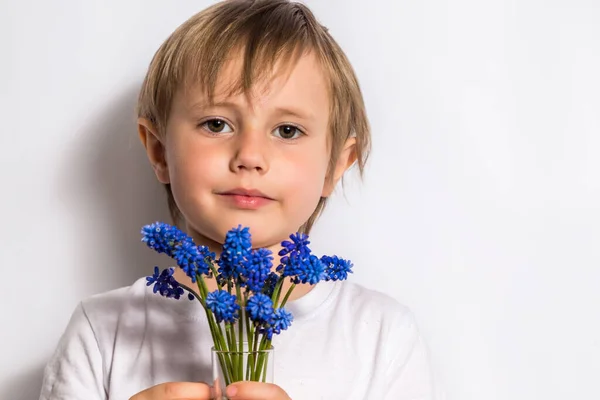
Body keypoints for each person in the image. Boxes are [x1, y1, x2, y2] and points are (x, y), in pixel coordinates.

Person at [39, 1, 440, 399]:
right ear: (160, 152)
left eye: (286, 130)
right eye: (217, 124)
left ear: (335, 166)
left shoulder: (381, 336)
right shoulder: (99, 331)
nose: (249, 156)